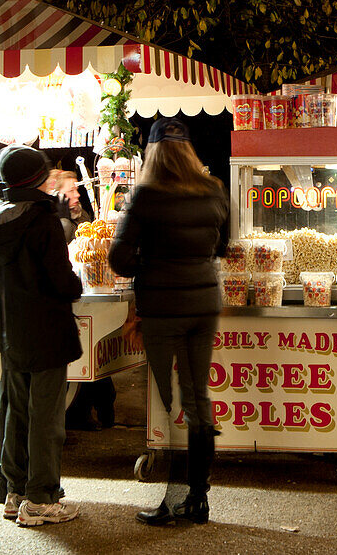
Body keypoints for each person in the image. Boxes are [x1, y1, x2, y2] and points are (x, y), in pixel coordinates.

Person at [108, 117, 229, 526]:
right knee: (198, 399)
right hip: (204, 303)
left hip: (163, 307)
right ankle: (198, 498)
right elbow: (222, 245)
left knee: (166, 401)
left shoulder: (145, 196)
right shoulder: (213, 189)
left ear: (153, 153)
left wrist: (152, 262)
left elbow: (119, 259)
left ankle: (173, 500)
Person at [0, 144, 84, 527]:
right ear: (37, 178)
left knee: (13, 410)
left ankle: (10, 489)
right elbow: (61, 280)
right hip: (47, 328)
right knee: (46, 415)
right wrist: (76, 286)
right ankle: (40, 498)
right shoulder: (41, 217)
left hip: (7, 328)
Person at [54, 170, 117, 430]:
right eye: (70, 191)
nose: (76, 194)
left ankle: (97, 409)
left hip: (81, 301)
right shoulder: (61, 226)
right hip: (68, 305)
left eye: (76, 189)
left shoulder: (78, 219)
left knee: (95, 355)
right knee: (89, 358)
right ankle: (88, 412)